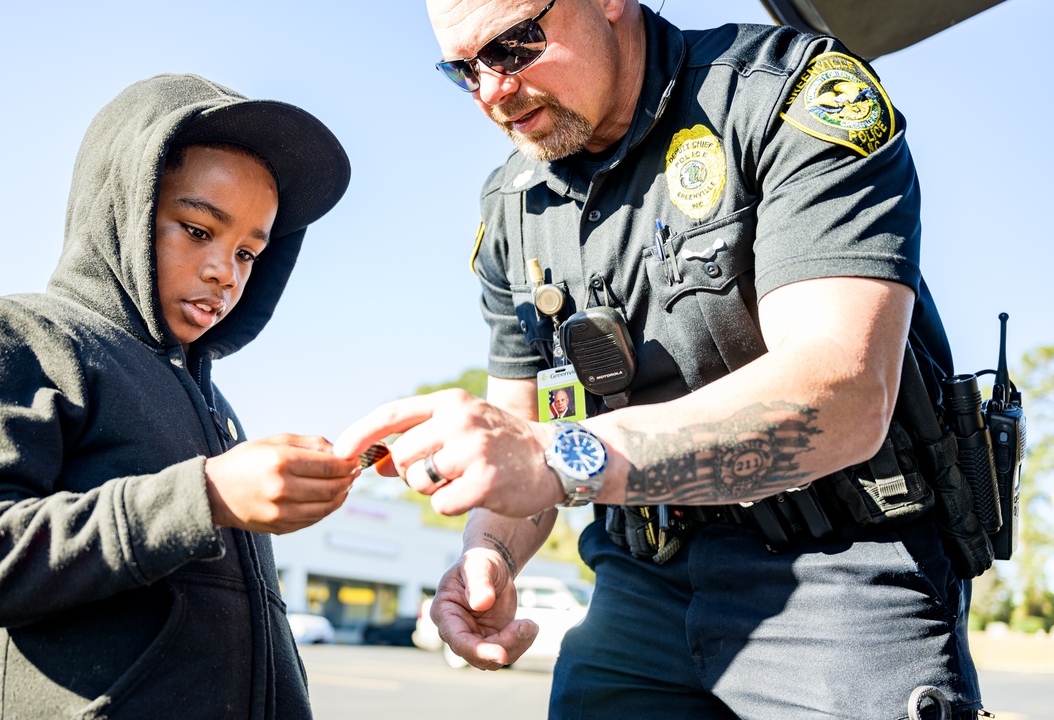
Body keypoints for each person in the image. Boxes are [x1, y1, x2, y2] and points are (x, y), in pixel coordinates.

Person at [334, 1, 984, 717]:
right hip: (640, 584)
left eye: (515, 46)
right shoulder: (513, 210)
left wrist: (562, 458)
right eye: (464, 70)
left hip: (839, 574)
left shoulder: (789, 95)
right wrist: (491, 553)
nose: (492, 91)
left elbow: (843, 391)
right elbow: (520, 438)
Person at [0, 74, 355, 719]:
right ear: (123, 206)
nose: (223, 273)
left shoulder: (215, 405)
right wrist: (202, 496)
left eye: (249, 253)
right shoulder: (27, 335)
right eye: (198, 230)